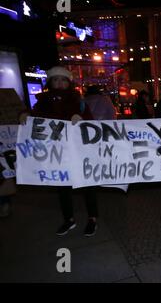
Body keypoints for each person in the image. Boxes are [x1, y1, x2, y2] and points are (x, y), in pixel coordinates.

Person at [19, 66, 99, 237]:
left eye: (63, 80)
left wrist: (81, 118)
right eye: (56, 79)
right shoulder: (43, 102)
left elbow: (92, 125)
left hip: (79, 151)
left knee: (87, 185)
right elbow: (35, 116)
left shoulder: (79, 101)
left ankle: (92, 218)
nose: (60, 83)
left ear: (68, 83)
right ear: (50, 82)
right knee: (62, 187)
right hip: (57, 154)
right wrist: (25, 115)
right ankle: (69, 219)